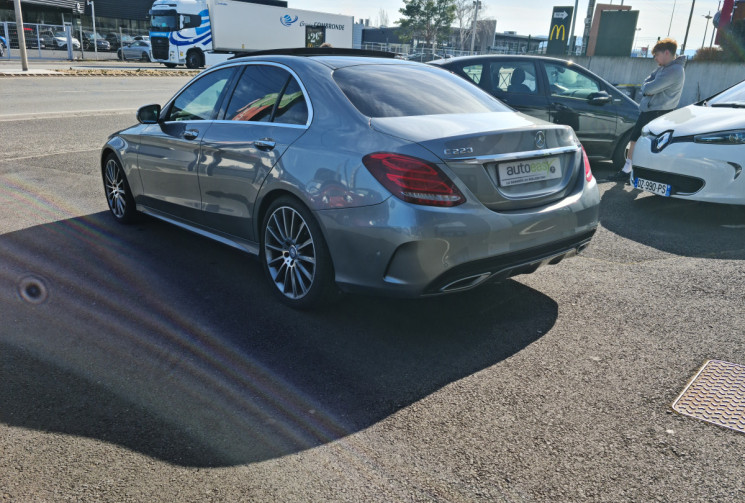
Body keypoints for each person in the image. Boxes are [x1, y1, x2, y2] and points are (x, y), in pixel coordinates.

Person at [611, 38, 686, 181]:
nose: (655, 59)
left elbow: (648, 87)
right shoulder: (664, 68)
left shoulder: (674, 70)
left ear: (666, 52)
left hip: (657, 112)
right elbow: (646, 83)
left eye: (656, 55)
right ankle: (630, 170)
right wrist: (647, 87)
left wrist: (647, 88)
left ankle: (629, 171)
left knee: (640, 141)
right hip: (652, 110)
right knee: (637, 140)